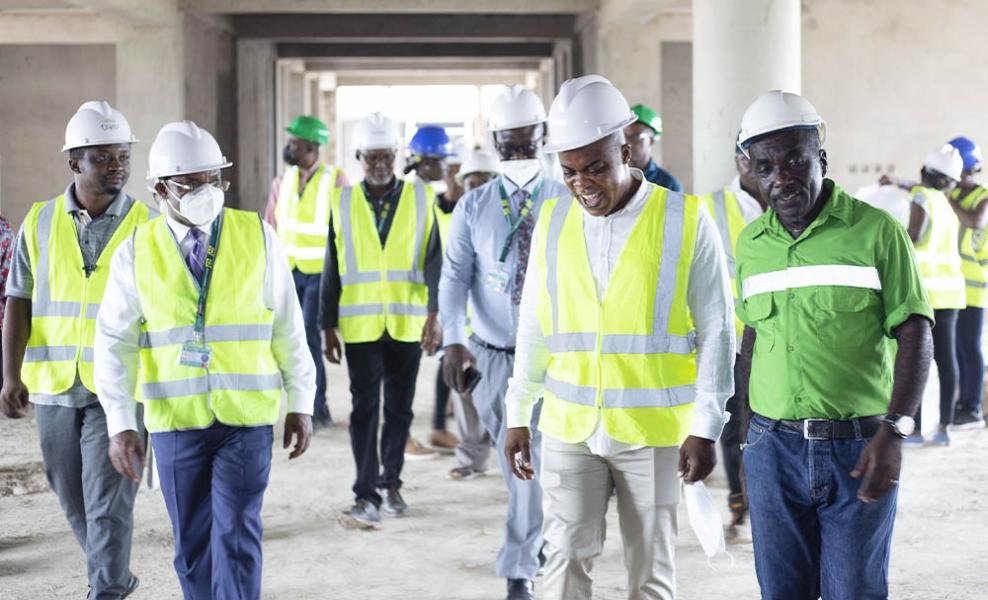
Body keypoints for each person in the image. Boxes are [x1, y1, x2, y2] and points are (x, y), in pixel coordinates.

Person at [504, 75, 735, 600]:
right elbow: (536, 320)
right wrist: (519, 410)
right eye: (568, 172)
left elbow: (719, 327)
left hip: (654, 431)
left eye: (595, 168)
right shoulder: (553, 219)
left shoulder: (686, 219)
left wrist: (706, 423)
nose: (583, 184)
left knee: (650, 570)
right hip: (569, 426)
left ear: (626, 151)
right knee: (563, 559)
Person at [94, 121, 315, 599]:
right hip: (176, 423)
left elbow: (288, 326)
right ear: (158, 189)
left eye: (214, 180)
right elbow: (114, 342)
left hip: (246, 418)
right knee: (193, 547)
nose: (206, 192)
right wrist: (120, 421)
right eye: (191, 183)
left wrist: (302, 400)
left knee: (236, 532)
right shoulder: (135, 252)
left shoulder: (256, 235)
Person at [734, 90, 934, 599]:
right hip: (772, 449)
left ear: (820, 158)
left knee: (854, 591)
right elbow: (751, 343)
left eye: (795, 159)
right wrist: (744, 443)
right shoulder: (751, 246)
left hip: (858, 447)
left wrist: (895, 431)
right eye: (765, 165)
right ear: (750, 172)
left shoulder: (875, 233)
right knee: (781, 592)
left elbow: (915, 329)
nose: (782, 176)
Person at [0, 101, 147, 599]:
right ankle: (115, 577)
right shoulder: (38, 222)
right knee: (71, 497)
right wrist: (11, 375)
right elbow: (17, 300)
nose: (117, 167)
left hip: (120, 389)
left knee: (109, 504)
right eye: (103, 157)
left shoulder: (148, 228)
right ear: (74, 163)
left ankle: (104, 591)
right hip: (53, 384)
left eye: (122, 157)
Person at [441, 85, 572, 600]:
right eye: (508, 146)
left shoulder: (567, 197)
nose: (518, 155)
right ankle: (533, 539)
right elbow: (454, 279)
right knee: (516, 460)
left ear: (544, 137)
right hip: (493, 356)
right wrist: (453, 340)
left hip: (554, 357)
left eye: (527, 144)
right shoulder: (473, 207)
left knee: (533, 461)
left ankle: (519, 567)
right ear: (495, 142)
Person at [320, 112, 443, 529]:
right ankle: (365, 492)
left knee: (400, 409)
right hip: (360, 327)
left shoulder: (421, 197)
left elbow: (433, 259)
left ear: (395, 156)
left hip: (407, 321)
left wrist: (435, 314)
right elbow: (331, 268)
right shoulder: (342, 201)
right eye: (371, 156)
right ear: (358, 157)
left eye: (385, 156)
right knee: (364, 409)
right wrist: (326, 325)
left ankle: (391, 483)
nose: (378, 163)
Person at [697, 140, 767, 543]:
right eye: (745, 156)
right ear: (738, 159)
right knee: (734, 426)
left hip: (779, 336)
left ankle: (770, 504)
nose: (751, 164)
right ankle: (741, 507)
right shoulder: (710, 205)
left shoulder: (787, 197)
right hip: (732, 339)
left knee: (771, 423)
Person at [264, 115, 348, 429]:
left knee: (310, 339)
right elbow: (270, 225)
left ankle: (317, 406)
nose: (288, 147)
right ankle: (301, 403)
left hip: (321, 274)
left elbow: (346, 228)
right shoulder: (281, 181)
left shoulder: (335, 179)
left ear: (311, 147)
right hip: (288, 273)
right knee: (287, 338)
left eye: (294, 143)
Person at [897, 146, 966, 446]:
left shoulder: (922, 198)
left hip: (926, 293)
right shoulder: (947, 206)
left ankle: (914, 429)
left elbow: (912, 237)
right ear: (951, 182)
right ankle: (944, 428)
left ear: (924, 172)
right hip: (951, 291)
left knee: (918, 361)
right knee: (946, 360)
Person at [406, 124, 456, 456]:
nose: (447, 168)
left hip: (429, 291)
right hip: (410, 295)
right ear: (426, 161)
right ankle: (405, 436)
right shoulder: (411, 194)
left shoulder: (425, 193)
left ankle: (438, 428)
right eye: (442, 161)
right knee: (402, 371)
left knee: (444, 357)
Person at [946, 136, 988, 429]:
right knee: (958, 349)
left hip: (974, 286)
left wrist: (948, 198)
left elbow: (975, 221)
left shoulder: (982, 197)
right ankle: (962, 404)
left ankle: (972, 407)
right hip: (953, 286)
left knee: (970, 348)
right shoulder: (953, 196)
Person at [624, 103, 682, 192]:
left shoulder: (668, 185)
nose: (627, 143)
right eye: (624, 136)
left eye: (635, 136)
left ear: (651, 140)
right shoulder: (613, 178)